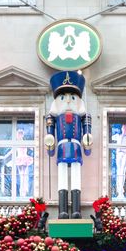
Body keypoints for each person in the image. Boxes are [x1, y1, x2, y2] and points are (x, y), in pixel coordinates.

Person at [45, 71, 92, 219]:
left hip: (76, 146)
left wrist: (87, 138)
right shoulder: (53, 118)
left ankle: (76, 210)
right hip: (62, 146)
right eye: (63, 97)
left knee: (76, 177)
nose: (67, 101)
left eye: (72, 97)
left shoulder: (84, 117)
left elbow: (87, 130)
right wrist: (50, 139)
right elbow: (50, 132)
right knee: (62, 177)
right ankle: (63, 210)